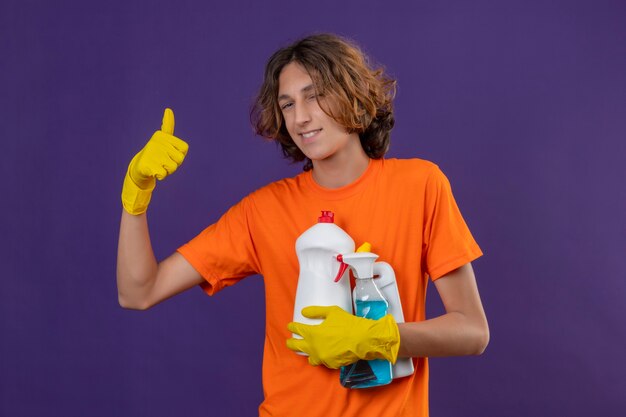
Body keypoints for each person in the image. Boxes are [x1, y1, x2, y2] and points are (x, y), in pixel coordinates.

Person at [117, 33, 489, 417]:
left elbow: (472, 332)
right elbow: (139, 292)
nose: (300, 117)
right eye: (288, 104)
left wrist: (380, 337)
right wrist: (135, 198)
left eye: (314, 96)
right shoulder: (263, 211)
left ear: (354, 93)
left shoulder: (420, 187)